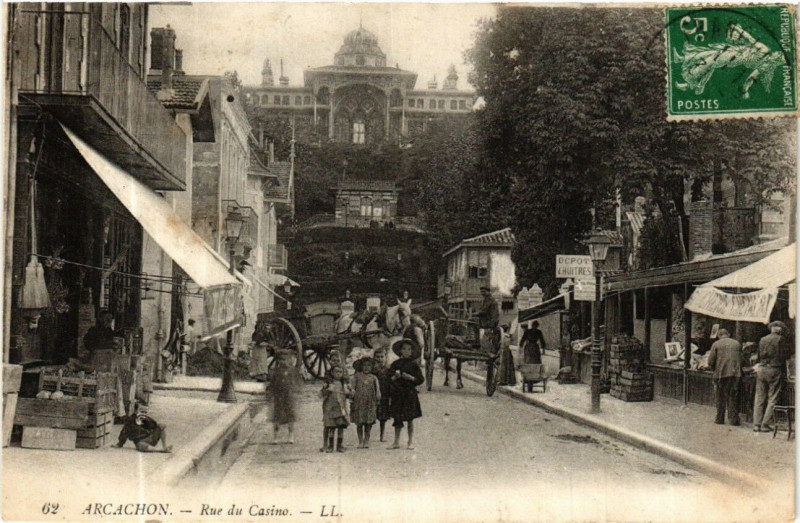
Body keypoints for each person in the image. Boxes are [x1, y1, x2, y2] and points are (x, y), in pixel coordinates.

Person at [752, 321, 793, 433]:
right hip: (774, 369)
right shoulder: (781, 339)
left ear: (771, 329)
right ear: (780, 329)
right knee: (772, 398)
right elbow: (785, 356)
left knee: (759, 397)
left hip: (762, 369)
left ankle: (756, 425)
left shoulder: (762, 339)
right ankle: (765, 424)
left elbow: (758, 356)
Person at [388, 340, 424, 450]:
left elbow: (420, 379)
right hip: (398, 394)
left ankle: (410, 441)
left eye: (409, 349)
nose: (406, 351)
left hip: (409, 393)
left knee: (410, 418)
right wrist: (395, 376)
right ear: (400, 351)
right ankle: (396, 441)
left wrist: (411, 378)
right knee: (397, 418)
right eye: (404, 349)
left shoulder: (414, 365)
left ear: (412, 351)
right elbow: (389, 378)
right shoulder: (395, 364)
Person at [704, 329, 742, 426]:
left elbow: (710, 361)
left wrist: (713, 367)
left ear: (719, 335)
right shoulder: (737, 343)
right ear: (728, 334)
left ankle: (719, 419)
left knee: (720, 397)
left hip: (721, 374)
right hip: (735, 374)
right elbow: (742, 359)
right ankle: (733, 420)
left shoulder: (716, 344)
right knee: (733, 396)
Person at [268, 350, 301, 444]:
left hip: (289, 396)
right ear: (278, 361)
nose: (284, 362)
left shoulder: (292, 371)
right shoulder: (275, 372)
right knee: (277, 416)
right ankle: (275, 436)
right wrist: (271, 394)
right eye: (281, 360)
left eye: (286, 359)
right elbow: (272, 384)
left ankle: (291, 435)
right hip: (278, 396)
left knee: (291, 415)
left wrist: (296, 391)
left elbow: (296, 383)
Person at [350, 357, 381, 448]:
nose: (366, 367)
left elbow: (377, 389)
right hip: (359, 402)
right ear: (361, 366)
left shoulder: (374, 377)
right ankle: (360, 440)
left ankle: (366, 440)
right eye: (364, 365)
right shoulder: (357, 376)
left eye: (369, 365)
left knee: (368, 422)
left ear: (372, 367)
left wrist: (378, 397)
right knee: (359, 422)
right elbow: (352, 387)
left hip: (370, 402)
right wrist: (351, 392)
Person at [321, 366, 351, 452]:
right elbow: (322, 394)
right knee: (332, 428)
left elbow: (349, 394)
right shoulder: (329, 384)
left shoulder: (343, 384)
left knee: (340, 428)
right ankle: (330, 446)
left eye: (340, 372)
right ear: (332, 373)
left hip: (340, 409)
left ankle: (339, 445)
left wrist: (349, 391)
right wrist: (326, 389)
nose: (338, 374)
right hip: (331, 409)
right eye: (336, 372)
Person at [372, 349, 392, 442]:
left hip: (384, 393)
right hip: (373, 394)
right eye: (377, 357)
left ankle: (382, 436)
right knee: (370, 415)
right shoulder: (371, 369)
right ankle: (367, 436)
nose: (380, 359)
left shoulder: (388, 369)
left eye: (382, 357)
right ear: (374, 358)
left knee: (383, 417)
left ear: (385, 358)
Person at [476, 285, 500, 353]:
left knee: (487, 341)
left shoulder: (491, 301)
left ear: (488, 292)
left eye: (484, 292)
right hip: (484, 323)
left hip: (489, 324)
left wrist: (477, 313)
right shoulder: (485, 300)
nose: (482, 293)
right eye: (481, 292)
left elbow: (485, 311)